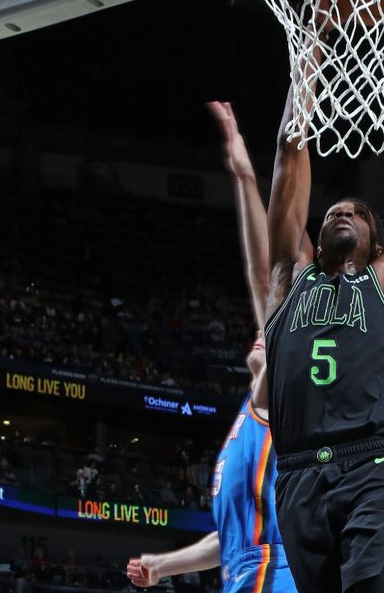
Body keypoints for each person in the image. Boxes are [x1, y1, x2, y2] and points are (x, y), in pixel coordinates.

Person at [263, 0, 384, 591]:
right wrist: (308, 46)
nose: (341, 210)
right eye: (334, 208)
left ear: (379, 247)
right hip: (298, 479)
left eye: (358, 212)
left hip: (374, 471)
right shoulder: (290, 278)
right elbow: (289, 149)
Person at [126, 102, 296, 593]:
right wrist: (162, 565)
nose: (261, 332)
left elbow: (261, 278)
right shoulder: (248, 417)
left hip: (273, 575)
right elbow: (230, 538)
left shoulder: (273, 399)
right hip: (247, 573)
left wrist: (245, 180)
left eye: (269, 330)